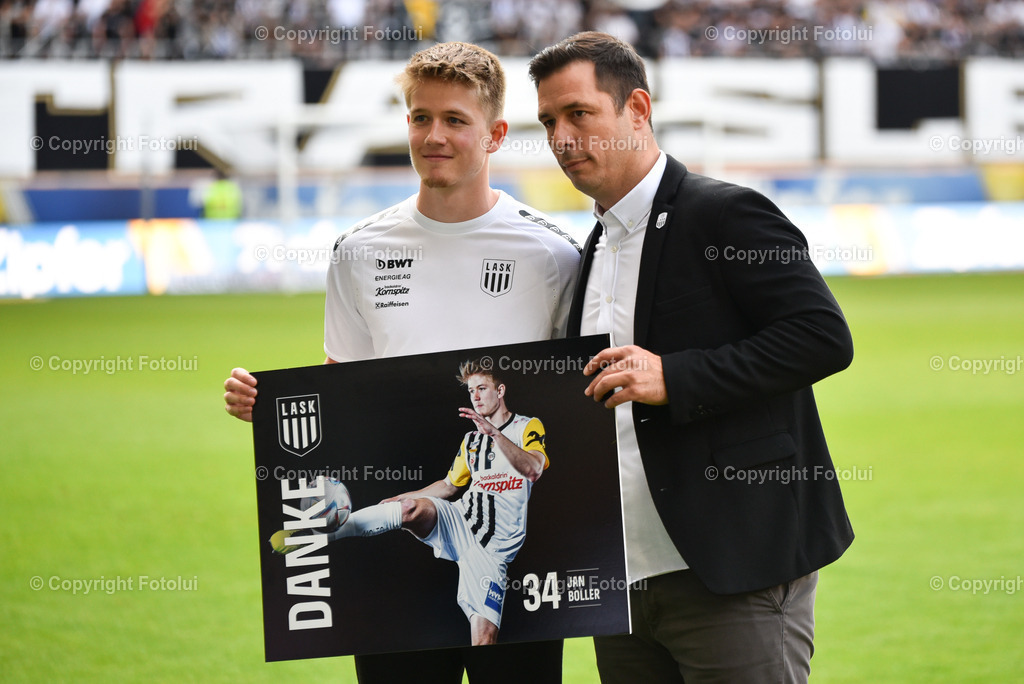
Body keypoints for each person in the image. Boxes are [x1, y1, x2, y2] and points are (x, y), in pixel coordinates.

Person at [224, 41, 579, 684]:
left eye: (454, 120)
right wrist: (274, 411)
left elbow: (572, 404)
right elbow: (346, 391)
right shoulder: (358, 251)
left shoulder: (552, 254)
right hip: (410, 562)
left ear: (496, 134)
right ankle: (344, 529)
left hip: (519, 543)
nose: (433, 135)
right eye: (420, 117)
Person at [528, 32, 855, 683]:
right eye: (548, 122)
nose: (561, 137)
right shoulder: (591, 247)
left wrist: (674, 376)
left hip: (732, 572)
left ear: (638, 110)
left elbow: (822, 335)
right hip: (622, 583)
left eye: (579, 114)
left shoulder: (727, 214)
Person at [272, 360, 549, 647]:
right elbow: (449, 485)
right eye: (470, 391)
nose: (476, 397)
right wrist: (405, 496)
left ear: (500, 390)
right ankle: (313, 536)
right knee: (409, 510)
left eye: (482, 388)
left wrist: (495, 434)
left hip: (492, 553)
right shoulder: (471, 440)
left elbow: (533, 469)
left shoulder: (526, 426)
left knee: (483, 640)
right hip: (461, 519)